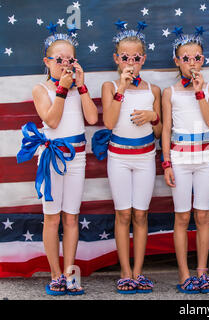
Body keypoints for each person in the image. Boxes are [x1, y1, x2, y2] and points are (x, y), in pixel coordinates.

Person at [18, 24, 98, 295]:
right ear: (47, 62)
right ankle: (55, 274)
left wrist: (81, 86)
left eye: (70, 60)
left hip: (77, 158)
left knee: (71, 218)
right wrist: (62, 90)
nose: (65, 65)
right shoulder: (42, 89)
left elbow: (92, 119)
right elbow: (51, 120)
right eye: (59, 60)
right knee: (52, 218)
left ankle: (69, 272)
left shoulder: (78, 88)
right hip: (52, 157)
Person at [98, 20, 162, 294]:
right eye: (125, 57)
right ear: (116, 59)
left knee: (141, 214)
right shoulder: (109, 86)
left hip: (145, 157)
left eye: (136, 58)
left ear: (143, 59)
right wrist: (121, 90)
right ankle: (124, 272)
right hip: (119, 158)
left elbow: (159, 131)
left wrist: (153, 116)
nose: (131, 62)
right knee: (123, 213)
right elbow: (110, 123)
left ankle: (138, 272)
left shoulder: (153, 91)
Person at [161, 26, 209, 294]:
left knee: (203, 215)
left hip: (205, 158)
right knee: (182, 217)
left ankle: (202, 271)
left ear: (203, 59)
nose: (192, 63)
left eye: (197, 57)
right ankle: (184, 273)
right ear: (177, 61)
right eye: (186, 58)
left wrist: (199, 92)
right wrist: (166, 163)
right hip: (180, 158)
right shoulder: (169, 92)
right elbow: (165, 129)